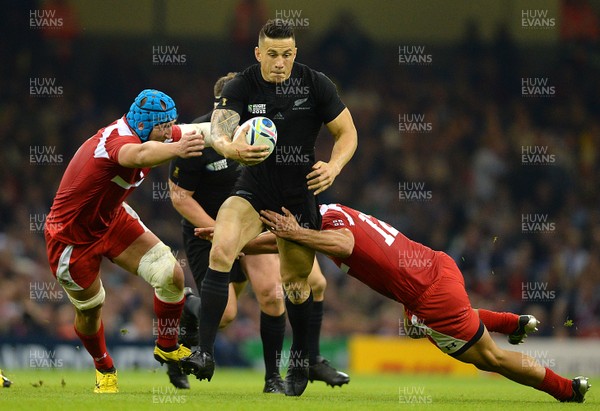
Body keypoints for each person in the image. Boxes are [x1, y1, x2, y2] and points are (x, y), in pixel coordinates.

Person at [180, 19, 358, 397]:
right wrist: (231, 149)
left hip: (298, 196)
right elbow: (222, 129)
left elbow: (347, 132)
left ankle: (300, 364)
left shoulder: (315, 84)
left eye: (287, 54)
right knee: (223, 247)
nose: (280, 62)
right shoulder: (240, 85)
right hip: (253, 190)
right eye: (273, 54)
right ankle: (203, 353)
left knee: (295, 285)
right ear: (258, 53)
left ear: (295, 53)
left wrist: (334, 166)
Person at [255, 204, 591, 402]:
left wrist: (294, 233)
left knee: (492, 358)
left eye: (295, 229)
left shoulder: (331, 231)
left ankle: (568, 390)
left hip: (428, 296)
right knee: (428, 324)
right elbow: (286, 242)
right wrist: (238, 242)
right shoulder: (332, 210)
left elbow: (339, 245)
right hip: (437, 265)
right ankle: (511, 322)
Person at [44, 89, 206, 393]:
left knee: (170, 275)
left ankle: (167, 347)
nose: (170, 131)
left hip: (111, 218)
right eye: (164, 126)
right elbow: (140, 155)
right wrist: (179, 149)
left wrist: (234, 138)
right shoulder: (118, 140)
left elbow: (200, 131)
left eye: (172, 123)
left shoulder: (152, 131)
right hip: (72, 239)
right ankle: (104, 366)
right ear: (145, 125)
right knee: (91, 311)